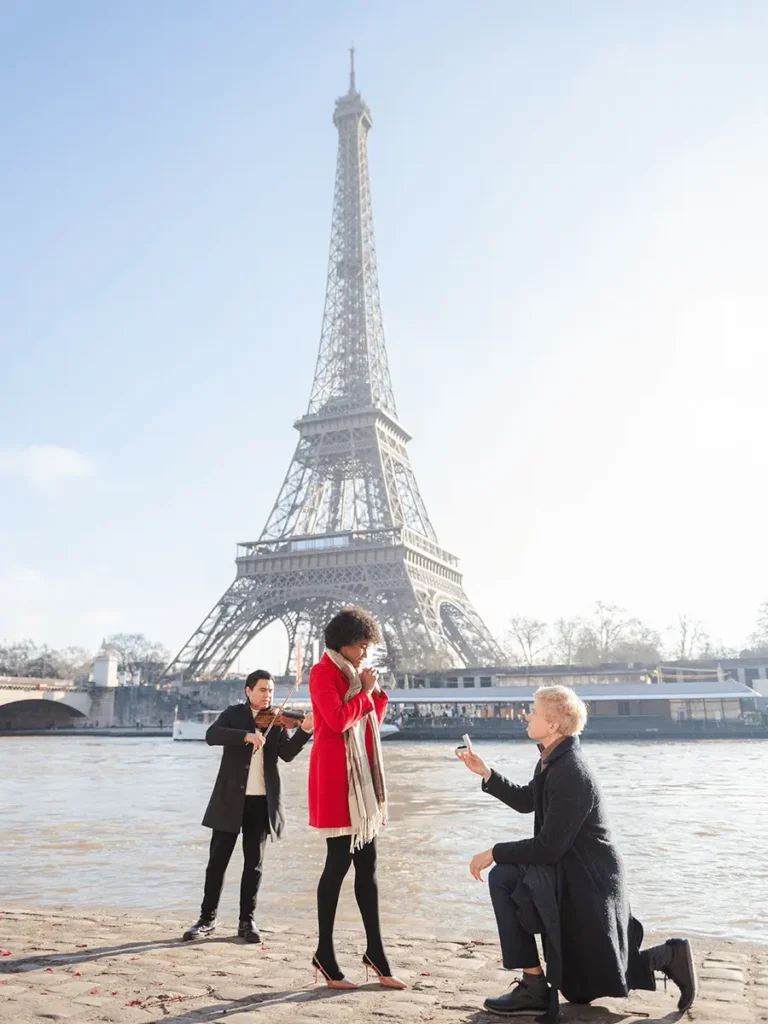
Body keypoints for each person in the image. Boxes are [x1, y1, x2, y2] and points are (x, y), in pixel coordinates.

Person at [457, 685, 697, 1021]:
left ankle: (667, 956)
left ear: (553, 724)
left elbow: (548, 847)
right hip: (569, 869)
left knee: (505, 877)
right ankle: (535, 986)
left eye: (534, 712)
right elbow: (527, 801)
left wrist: (494, 852)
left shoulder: (571, 771)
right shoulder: (552, 759)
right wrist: (486, 772)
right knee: (581, 987)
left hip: (590, 880)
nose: (527, 716)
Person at [307, 607, 406, 991]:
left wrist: (374, 694)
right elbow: (336, 721)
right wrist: (363, 692)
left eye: (368, 646)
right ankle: (325, 954)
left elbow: (369, 724)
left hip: (360, 785)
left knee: (369, 866)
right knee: (337, 864)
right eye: (361, 645)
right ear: (343, 643)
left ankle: (376, 953)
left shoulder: (353, 675)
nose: (366, 652)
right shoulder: (322, 673)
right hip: (337, 782)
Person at [182, 670, 313, 943]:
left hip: (261, 801)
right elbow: (212, 735)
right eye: (263, 689)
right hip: (230, 799)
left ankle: (247, 921)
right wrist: (246, 735)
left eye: (271, 690)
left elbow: (287, 755)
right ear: (248, 690)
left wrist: (304, 731)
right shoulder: (233, 714)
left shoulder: (277, 720)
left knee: (254, 865)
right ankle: (206, 919)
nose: (268, 695)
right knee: (217, 862)